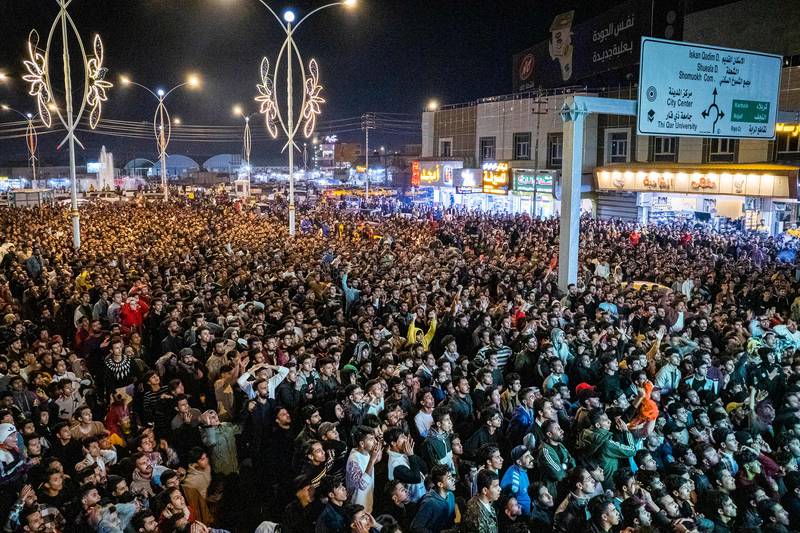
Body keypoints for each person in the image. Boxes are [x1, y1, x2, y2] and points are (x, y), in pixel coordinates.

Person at [346, 425, 382, 513]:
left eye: (374, 438)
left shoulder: (367, 453)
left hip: (368, 502)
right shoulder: (353, 460)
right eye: (371, 439)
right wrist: (372, 460)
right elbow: (361, 485)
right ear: (362, 443)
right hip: (357, 507)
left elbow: (376, 461)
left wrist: (378, 450)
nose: (374, 442)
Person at [409, 464, 456, 533]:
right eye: (449, 478)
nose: (453, 479)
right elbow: (416, 527)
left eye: (451, 476)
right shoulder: (429, 502)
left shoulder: (451, 495)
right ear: (440, 484)